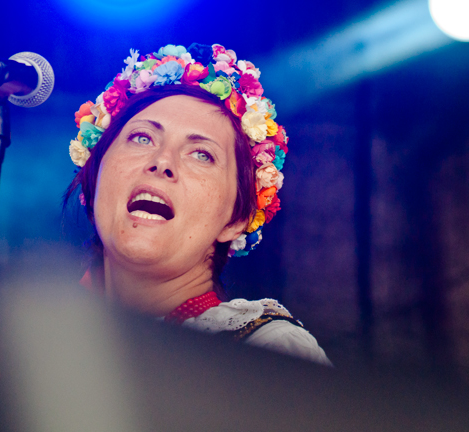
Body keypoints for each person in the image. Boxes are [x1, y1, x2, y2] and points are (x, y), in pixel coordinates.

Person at [65, 43, 331, 366]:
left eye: (202, 155)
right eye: (142, 138)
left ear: (236, 219)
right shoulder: (36, 341)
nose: (163, 161)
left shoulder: (266, 352)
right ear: (94, 176)